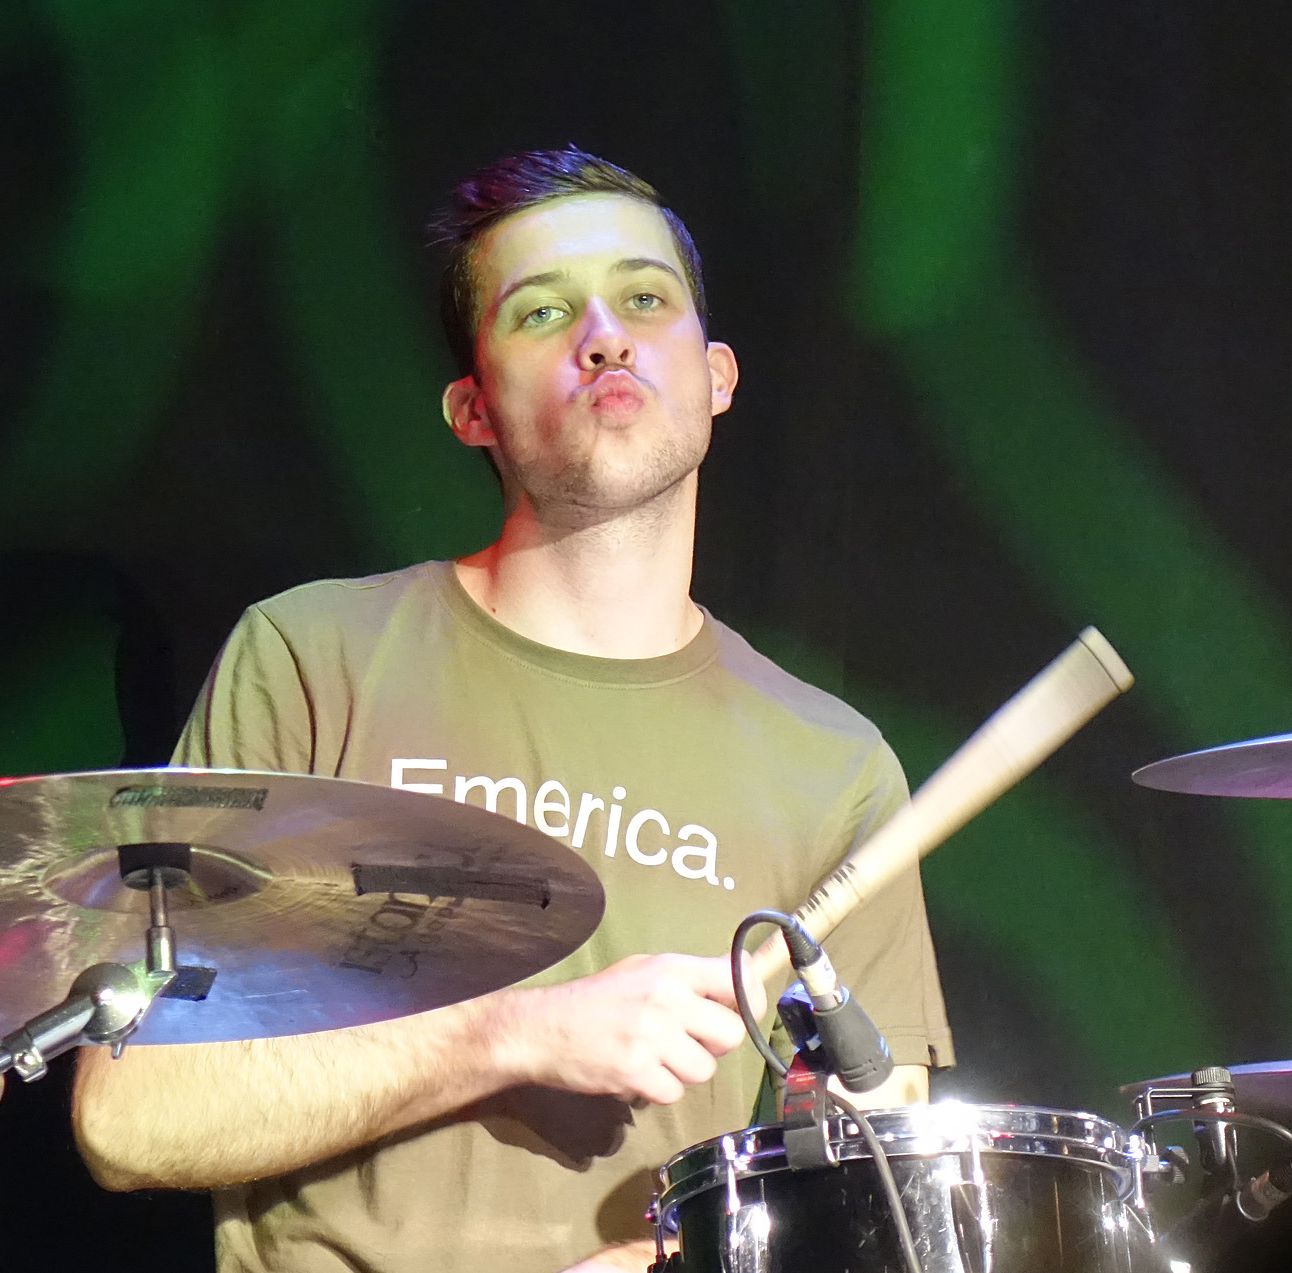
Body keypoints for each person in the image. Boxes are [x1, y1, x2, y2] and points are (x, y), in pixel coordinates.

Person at [70, 148, 954, 1273]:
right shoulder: (313, 659)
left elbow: (872, 1203)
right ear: (471, 408)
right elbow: (130, 1113)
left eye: (645, 298)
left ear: (719, 375)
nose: (604, 335)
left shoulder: (834, 768)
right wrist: (514, 1033)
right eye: (542, 311)